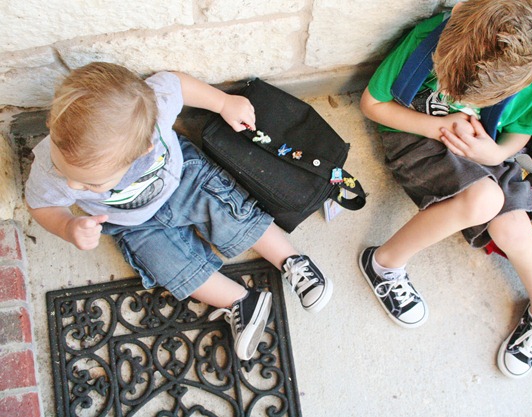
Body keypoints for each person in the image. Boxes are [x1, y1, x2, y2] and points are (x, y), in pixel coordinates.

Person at [25, 62, 333, 361]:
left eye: (89, 183)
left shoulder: (153, 111)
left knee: (231, 215)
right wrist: (67, 226)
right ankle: (240, 301)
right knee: (167, 265)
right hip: (131, 223)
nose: (71, 185)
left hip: (184, 179)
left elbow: (177, 84)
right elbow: (41, 204)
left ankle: (292, 261)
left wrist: (224, 102)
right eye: (64, 170)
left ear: (143, 151)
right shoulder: (53, 167)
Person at [359, 0, 532, 378]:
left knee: (511, 225)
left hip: (484, 145)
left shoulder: (531, 77)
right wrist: (439, 127)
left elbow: (521, 132)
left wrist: (495, 152)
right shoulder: (428, 39)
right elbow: (373, 104)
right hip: (416, 134)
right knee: (485, 199)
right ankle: (383, 262)